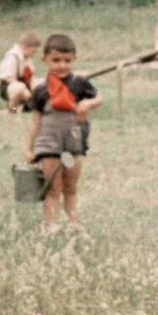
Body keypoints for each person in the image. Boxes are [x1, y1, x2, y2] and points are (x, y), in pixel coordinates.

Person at [23, 34, 102, 234]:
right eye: (56, 60)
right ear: (45, 60)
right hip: (48, 145)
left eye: (67, 60)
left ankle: (73, 224)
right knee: (52, 188)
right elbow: (36, 120)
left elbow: (100, 97)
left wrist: (89, 103)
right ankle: (51, 226)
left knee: (71, 187)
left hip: (73, 144)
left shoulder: (80, 83)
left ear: (74, 59)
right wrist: (29, 148)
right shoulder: (41, 90)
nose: (61, 65)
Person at [0, 30, 41, 113]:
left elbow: (31, 75)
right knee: (20, 90)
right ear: (24, 47)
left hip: (23, 83)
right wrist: (26, 90)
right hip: (9, 85)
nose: (34, 54)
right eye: (33, 51)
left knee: (38, 87)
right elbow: (9, 77)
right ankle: (12, 109)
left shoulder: (27, 58)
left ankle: (25, 107)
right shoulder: (13, 57)